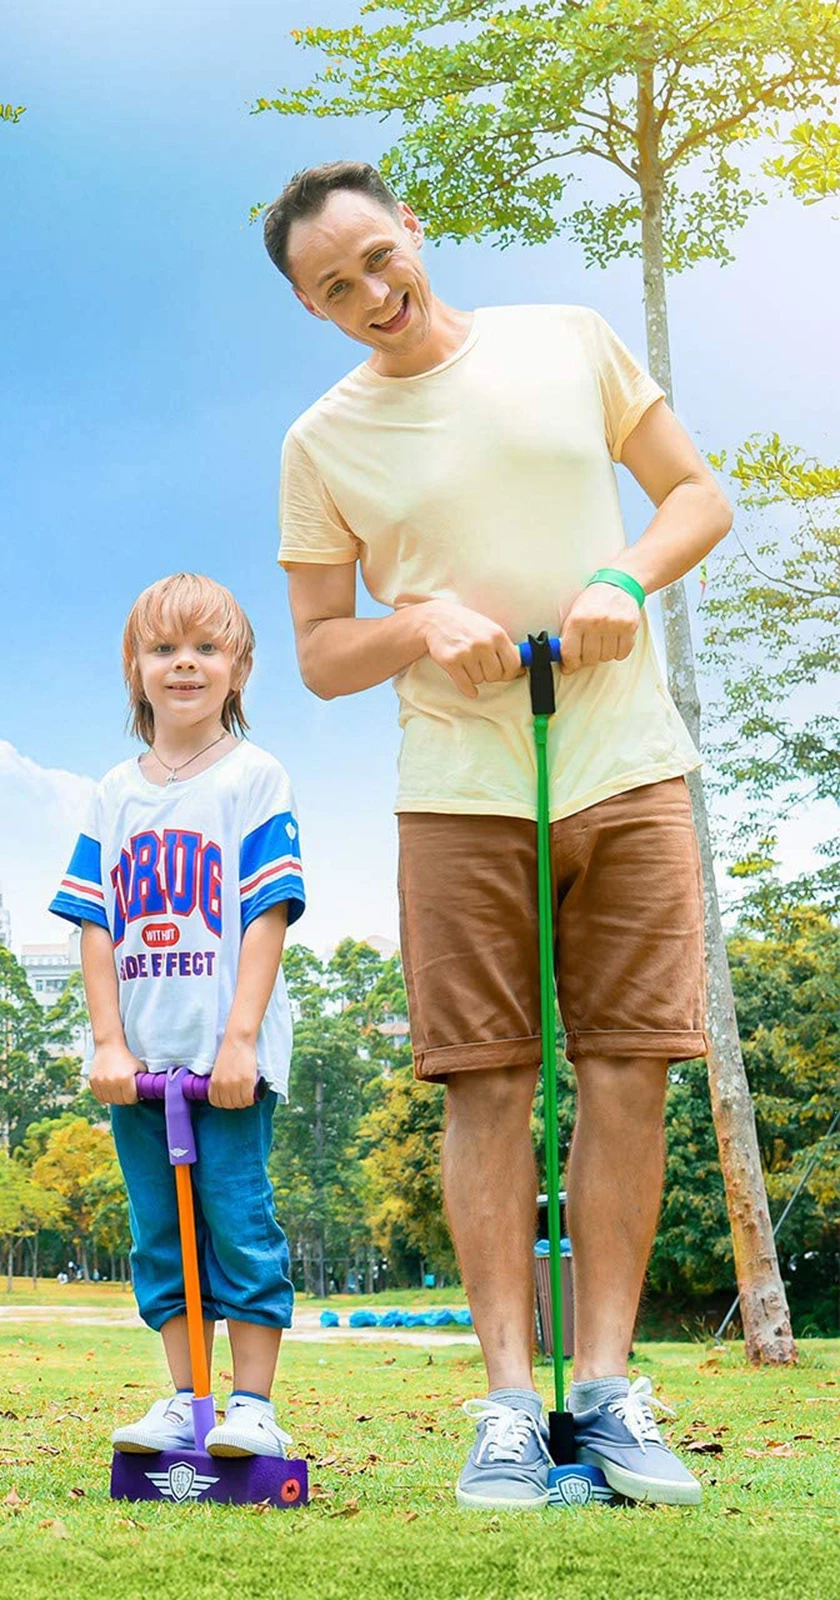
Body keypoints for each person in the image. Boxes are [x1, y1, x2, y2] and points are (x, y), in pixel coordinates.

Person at [263, 160, 729, 1508]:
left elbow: (696, 495)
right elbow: (320, 652)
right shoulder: (320, 442)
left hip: (626, 763)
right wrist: (420, 623)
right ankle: (511, 1407)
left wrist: (616, 576)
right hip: (462, 787)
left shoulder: (566, 340)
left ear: (414, 224)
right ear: (312, 308)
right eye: (332, 288)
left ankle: (606, 1392)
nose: (369, 293)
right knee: (490, 1083)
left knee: (633, 1070)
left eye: (373, 257)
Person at [50, 574, 305, 1458]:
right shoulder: (115, 790)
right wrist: (108, 1040)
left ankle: (252, 1407)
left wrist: (239, 1042)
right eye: (163, 649)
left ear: (239, 669)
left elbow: (268, 911)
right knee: (160, 1235)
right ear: (136, 669)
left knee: (238, 1224)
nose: (184, 664)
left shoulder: (254, 776)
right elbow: (93, 923)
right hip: (143, 1065)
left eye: (206, 648)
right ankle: (183, 1397)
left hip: (224, 1060)